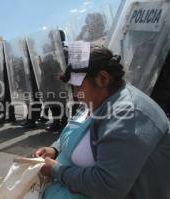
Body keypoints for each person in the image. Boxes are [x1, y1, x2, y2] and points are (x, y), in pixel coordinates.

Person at [33, 46, 170, 199]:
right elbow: (74, 129)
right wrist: (55, 149)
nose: (76, 95)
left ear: (103, 79)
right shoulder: (96, 100)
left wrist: (55, 170)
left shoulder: (128, 114)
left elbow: (108, 186)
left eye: (78, 87)